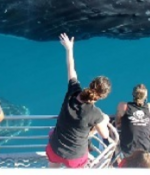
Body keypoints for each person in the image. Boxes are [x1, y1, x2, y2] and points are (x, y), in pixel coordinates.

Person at [46, 33, 112, 169]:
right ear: (102, 96)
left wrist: (69, 49)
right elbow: (105, 135)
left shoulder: (73, 91)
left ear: (91, 84)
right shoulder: (95, 114)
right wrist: (104, 119)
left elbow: (71, 69)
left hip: (55, 148)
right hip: (75, 156)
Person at [115, 84, 150, 168]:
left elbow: (117, 122)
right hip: (145, 150)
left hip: (128, 149)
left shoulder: (123, 106)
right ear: (145, 96)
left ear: (133, 94)